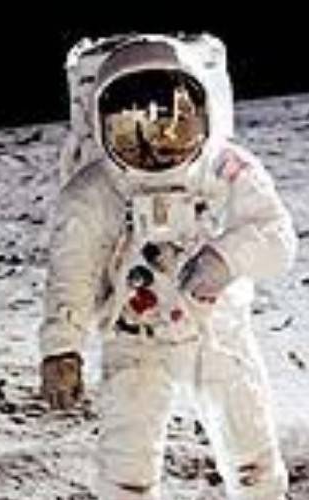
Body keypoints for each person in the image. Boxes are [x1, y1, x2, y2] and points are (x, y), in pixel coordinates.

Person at [39, 33, 297, 499]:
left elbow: (277, 236)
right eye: (130, 128)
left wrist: (225, 258)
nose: (155, 145)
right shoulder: (94, 191)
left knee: (252, 461)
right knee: (126, 472)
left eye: (173, 124)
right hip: (134, 339)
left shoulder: (225, 168)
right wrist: (62, 348)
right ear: (101, 124)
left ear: (202, 111)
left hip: (216, 332)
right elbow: (71, 274)